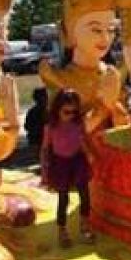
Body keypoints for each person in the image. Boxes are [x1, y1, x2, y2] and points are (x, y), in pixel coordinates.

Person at [40, 88, 94, 248]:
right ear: (57, 109)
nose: (70, 115)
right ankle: (62, 230)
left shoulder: (78, 123)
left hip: (77, 161)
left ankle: (84, 226)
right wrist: (44, 170)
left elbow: (83, 140)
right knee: (63, 198)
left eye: (73, 112)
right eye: (66, 111)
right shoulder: (51, 127)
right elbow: (44, 148)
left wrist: (90, 156)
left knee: (85, 194)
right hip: (60, 163)